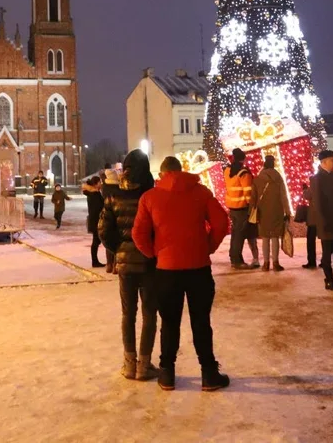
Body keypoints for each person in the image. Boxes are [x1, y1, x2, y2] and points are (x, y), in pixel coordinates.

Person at [133, 156, 230, 392]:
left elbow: (138, 234)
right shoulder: (201, 193)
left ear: (162, 173)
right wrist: (207, 247)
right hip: (198, 268)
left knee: (169, 322)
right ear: (180, 171)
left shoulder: (150, 197)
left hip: (166, 270)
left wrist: (155, 253)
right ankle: (208, 373)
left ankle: (167, 373)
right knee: (201, 321)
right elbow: (221, 223)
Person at [99, 150, 158, 381]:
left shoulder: (113, 196)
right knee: (149, 313)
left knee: (128, 314)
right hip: (149, 262)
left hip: (125, 264)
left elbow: (103, 231)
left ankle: (129, 364)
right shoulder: (151, 195)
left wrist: (119, 249)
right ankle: (144, 365)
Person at [309, 150, 333, 291]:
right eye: (332, 160)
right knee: (327, 254)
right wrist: (323, 221)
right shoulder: (317, 179)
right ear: (323, 162)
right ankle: (329, 280)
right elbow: (318, 203)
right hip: (326, 222)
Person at [254, 155, 291, 272]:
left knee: (265, 237)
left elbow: (253, 197)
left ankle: (265, 264)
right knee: (275, 237)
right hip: (277, 211)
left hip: (262, 211)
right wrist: (287, 211)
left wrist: (252, 211)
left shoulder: (258, 178)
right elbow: (284, 196)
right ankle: (275, 263)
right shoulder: (278, 177)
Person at [223, 148, 257, 269]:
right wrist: (252, 206)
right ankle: (237, 260)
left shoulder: (227, 170)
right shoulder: (244, 173)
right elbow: (248, 193)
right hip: (242, 208)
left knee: (235, 233)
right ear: (243, 159)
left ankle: (233, 256)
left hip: (232, 207)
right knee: (240, 235)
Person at [83, 175, 106, 267]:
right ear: (96, 184)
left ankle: (95, 261)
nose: (101, 183)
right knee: (96, 241)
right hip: (96, 220)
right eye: (100, 182)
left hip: (94, 219)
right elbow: (98, 207)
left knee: (96, 241)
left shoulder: (93, 193)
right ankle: (95, 261)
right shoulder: (94, 194)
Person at [300, 182, 318, 269]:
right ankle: (325, 260)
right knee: (326, 242)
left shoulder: (315, 184)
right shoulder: (328, 183)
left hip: (314, 218)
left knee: (310, 240)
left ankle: (312, 261)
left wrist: (304, 189)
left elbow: (307, 195)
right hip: (323, 218)